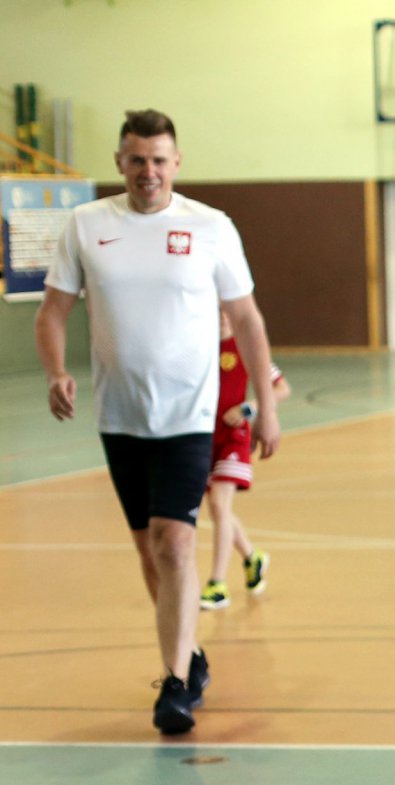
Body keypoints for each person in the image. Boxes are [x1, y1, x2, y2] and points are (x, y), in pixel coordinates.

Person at [35, 108, 281, 735]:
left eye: (160, 160)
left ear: (177, 163)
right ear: (121, 163)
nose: (149, 171)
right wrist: (56, 371)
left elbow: (247, 319)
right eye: (138, 160)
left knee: (176, 542)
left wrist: (266, 404)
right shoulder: (87, 224)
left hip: (191, 413)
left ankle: (174, 684)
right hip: (120, 415)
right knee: (150, 550)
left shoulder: (211, 227)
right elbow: (53, 311)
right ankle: (189, 654)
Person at [200, 304, 290, 610]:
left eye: (227, 310)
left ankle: (217, 583)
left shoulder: (245, 347)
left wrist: (249, 408)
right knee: (219, 511)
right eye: (217, 310)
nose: (222, 316)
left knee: (219, 505)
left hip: (234, 438)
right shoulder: (198, 346)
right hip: (203, 437)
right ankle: (252, 558)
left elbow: (281, 388)